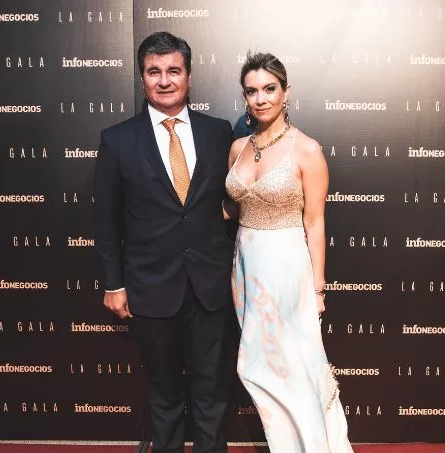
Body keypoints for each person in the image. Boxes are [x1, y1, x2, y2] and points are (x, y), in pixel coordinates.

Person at [93, 31, 235, 453]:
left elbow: (232, 203)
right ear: (142, 78)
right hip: (150, 286)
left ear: (189, 76)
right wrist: (113, 283)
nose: (165, 80)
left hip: (210, 285)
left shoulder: (218, 133)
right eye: (154, 71)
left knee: (212, 389)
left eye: (174, 70)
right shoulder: (117, 139)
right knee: (164, 390)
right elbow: (106, 220)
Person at [225, 52, 353, 452]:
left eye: (269, 88)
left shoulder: (306, 150)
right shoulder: (238, 148)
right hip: (246, 267)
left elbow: (314, 221)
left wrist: (318, 289)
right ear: (244, 97)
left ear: (286, 92)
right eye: (252, 91)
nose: (261, 98)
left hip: (286, 267)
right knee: (260, 364)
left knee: (292, 368)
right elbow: (231, 208)